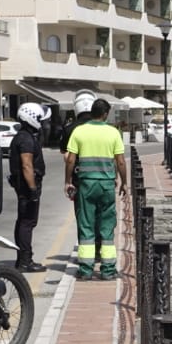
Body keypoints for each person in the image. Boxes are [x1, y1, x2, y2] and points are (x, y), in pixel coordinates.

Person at [64, 97, 127, 280]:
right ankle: (107, 270)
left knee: (86, 225)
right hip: (107, 185)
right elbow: (120, 161)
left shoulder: (79, 131)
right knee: (107, 227)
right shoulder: (113, 132)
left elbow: (70, 159)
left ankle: (85, 270)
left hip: (86, 185)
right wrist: (124, 182)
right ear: (105, 114)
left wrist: (68, 181)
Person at [9, 102, 49, 272]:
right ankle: (25, 260)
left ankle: (23, 259)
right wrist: (32, 189)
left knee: (24, 222)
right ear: (32, 117)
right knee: (27, 222)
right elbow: (27, 165)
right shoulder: (25, 139)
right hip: (27, 188)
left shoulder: (23, 136)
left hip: (23, 187)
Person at [61, 88, 98, 258]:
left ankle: (86, 254)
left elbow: (67, 157)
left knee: (83, 218)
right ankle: (100, 251)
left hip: (79, 179)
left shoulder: (70, 129)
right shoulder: (104, 127)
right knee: (101, 217)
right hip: (102, 179)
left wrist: (67, 181)